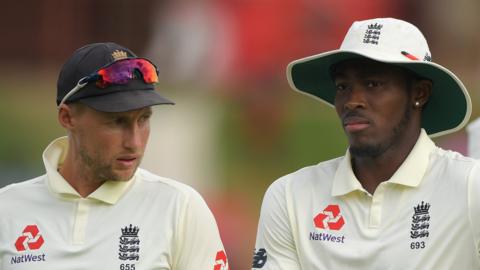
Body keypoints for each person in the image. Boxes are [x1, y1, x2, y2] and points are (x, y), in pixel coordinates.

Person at [252, 18, 480, 269]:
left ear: (419, 93)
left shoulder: (470, 186)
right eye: (343, 86)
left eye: (373, 84)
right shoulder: (289, 196)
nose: (352, 101)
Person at [0, 42, 229, 270]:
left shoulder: (180, 207)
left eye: (143, 119)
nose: (135, 142)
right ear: (67, 118)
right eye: (117, 122)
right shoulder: (7, 209)